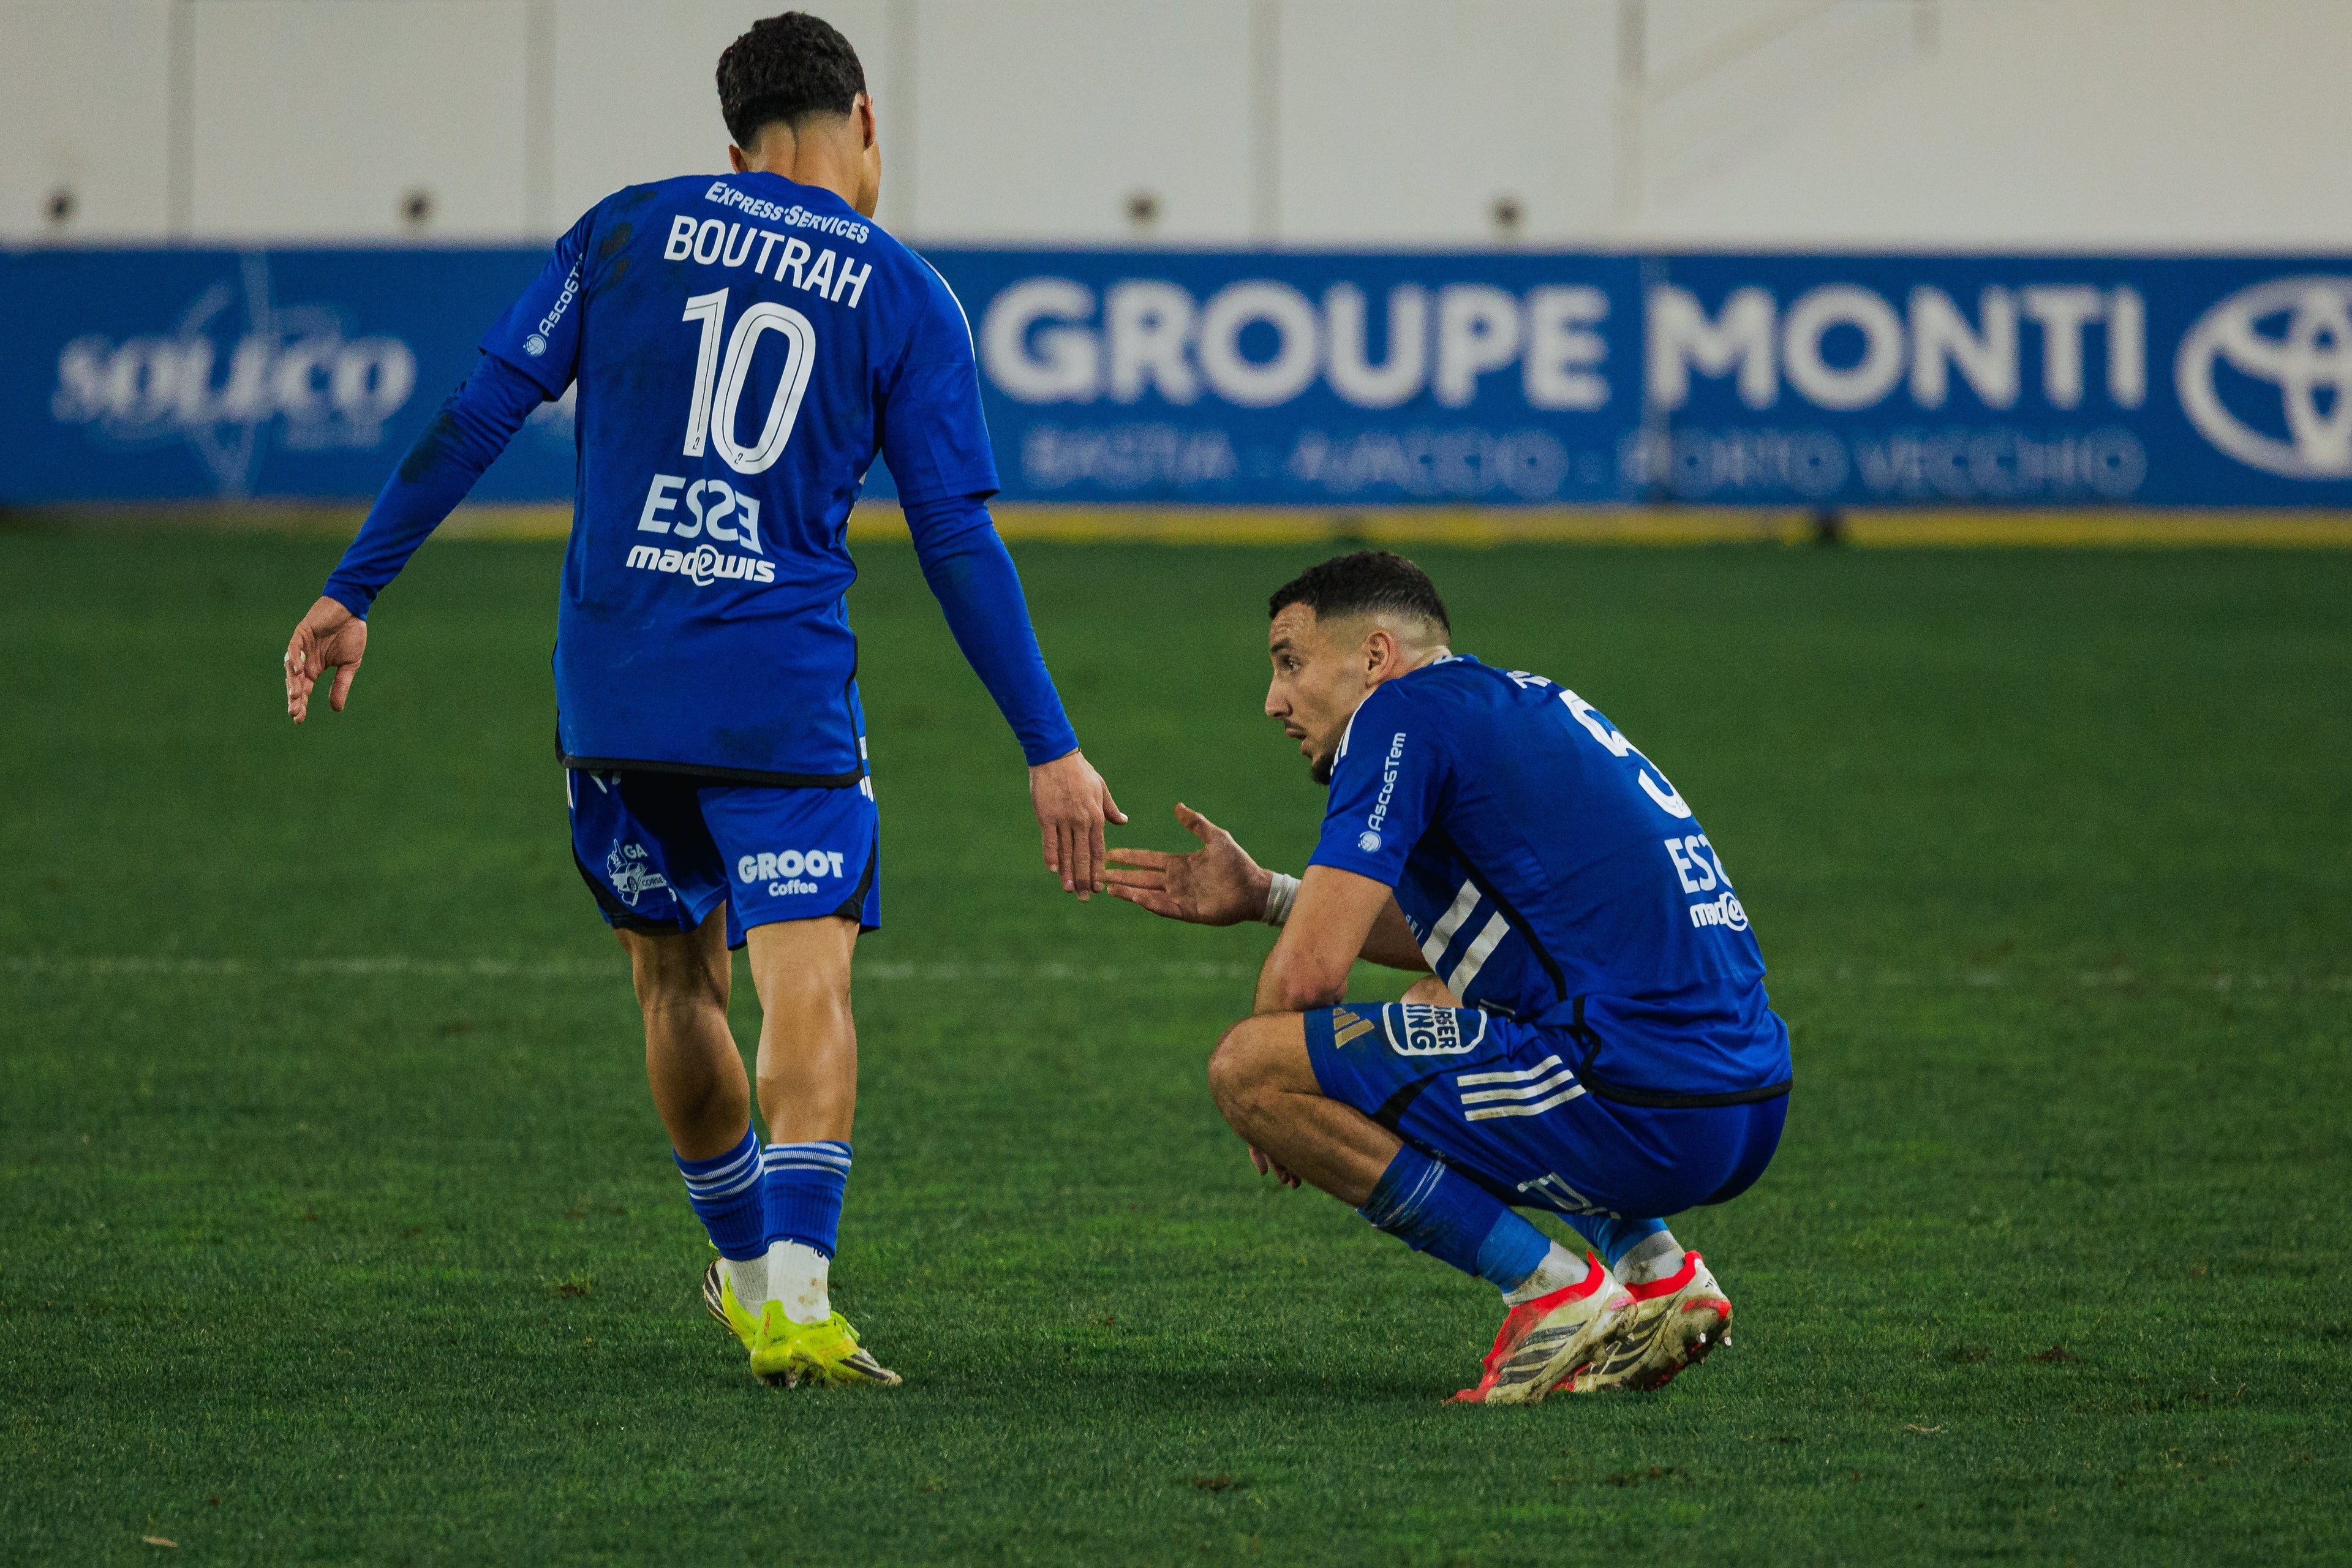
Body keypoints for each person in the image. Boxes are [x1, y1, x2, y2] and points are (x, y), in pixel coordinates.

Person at [278, 12, 1123, 1389]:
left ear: (733, 145)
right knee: (808, 973)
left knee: (675, 979)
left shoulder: (623, 230)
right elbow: (957, 536)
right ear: (861, 120)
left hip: (612, 686)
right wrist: (1051, 745)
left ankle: (738, 1282)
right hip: (775, 693)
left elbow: (482, 406)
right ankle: (799, 1291)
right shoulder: (904, 291)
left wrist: (354, 586)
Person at [1103, 551, 1789, 1404]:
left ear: (1376, 657)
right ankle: (1657, 1276)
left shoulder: (1397, 721)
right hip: (1748, 1099)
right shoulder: (1522, 701)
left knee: (1249, 1064)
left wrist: (1272, 1100)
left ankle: (1552, 1293)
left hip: (1642, 1100)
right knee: (1446, 1003)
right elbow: (1471, 940)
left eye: (1290, 662)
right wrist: (1271, 896)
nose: (1275, 700)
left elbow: (1311, 978)